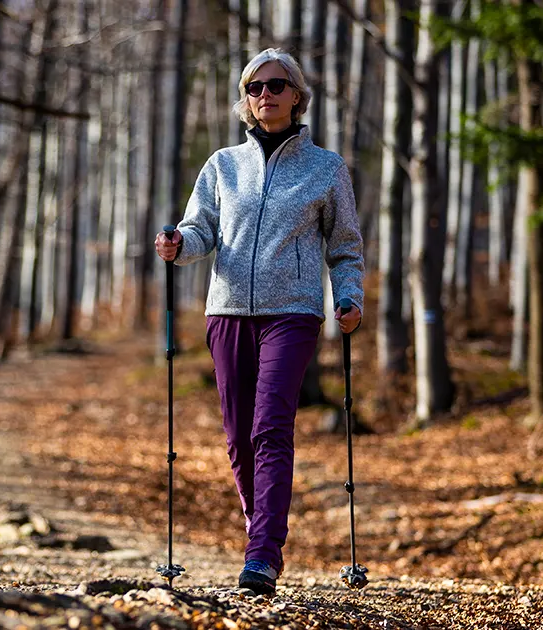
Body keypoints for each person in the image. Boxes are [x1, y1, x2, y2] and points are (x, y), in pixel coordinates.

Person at [154, 48, 365, 595]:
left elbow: (345, 248)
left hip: (293, 314)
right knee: (237, 438)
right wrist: (179, 243)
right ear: (246, 100)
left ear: (297, 96)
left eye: (275, 85)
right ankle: (260, 525)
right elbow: (201, 229)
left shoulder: (326, 168)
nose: (264, 95)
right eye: (254, 87)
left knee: (271, 427)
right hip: (226, 312)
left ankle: (263, 555)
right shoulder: (222, 165)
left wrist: (349, 297)